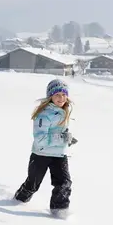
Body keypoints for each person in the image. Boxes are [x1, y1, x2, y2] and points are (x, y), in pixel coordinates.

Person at [13, 79, 77, 217]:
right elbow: (40, 139)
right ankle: (18, 200)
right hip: (40, 155)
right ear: (50, 96)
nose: (61, 98)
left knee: (64, 183)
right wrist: (61, 138)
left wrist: (68, 138)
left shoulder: (63, 112)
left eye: (64, 95)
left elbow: (57, 133)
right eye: (57, 95)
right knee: (32, 184)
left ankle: (59, 211)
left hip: (59, 155)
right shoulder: (44, 115)